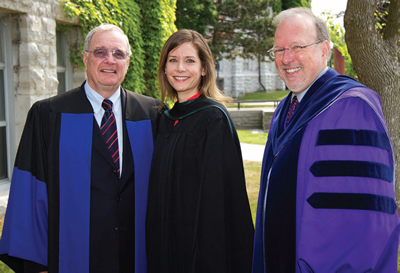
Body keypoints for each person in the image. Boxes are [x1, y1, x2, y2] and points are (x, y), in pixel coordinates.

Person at [0, 24, 162, 272]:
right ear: (85, 58)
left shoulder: (152, 114)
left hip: (138, 256)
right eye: (100, 52)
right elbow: (30, 192)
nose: (110, 60)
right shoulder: (49, 115)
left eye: (118, 54)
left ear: (128, 61)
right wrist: (38, 265)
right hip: (72, 258)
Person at [252, 7, 400, 273]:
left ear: (324, 50)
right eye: (279, 50)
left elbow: (361, 220)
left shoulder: (351, 106)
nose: (287, 58)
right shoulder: (286, 109)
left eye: (297, 46)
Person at [146, 29, 254, 273]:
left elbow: (217, 203)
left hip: (198, 252)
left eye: (190, 61)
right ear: (164, 68)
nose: (180, 68)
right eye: (172, 60)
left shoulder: (213, 119)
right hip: (164, 245)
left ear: (204, 69)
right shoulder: (163, 119)